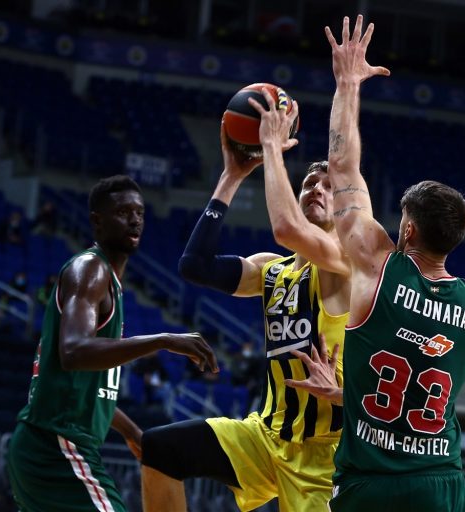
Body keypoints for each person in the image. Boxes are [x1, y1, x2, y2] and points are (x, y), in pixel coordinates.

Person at [287, 16, 465, 511]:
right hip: (440, 482)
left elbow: (342, 168)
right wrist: (348, 396)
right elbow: (416, 385)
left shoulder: (378, 268)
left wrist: (348, 83)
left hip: (370, 483)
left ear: (409, 230)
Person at [140, 98, 352, 511]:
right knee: (160, 448)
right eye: (310, 183)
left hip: (323, 454)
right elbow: (195, 265)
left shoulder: (344, 265)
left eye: (330, 187)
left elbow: (287, 228)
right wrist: (231, 176)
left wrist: (271, 147)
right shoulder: (271, 270)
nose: (317, 189)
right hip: (265, 436)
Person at [6, 175, 219, 512]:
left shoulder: (110, 283)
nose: (134, 220)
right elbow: (73, 352)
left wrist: (132, 432)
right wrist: (163, 339)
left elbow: (91, 387)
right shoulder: (90, 270)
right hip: (56, 444)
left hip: (47, 444)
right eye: (123, 212)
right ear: (97, 221)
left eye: (140, 213)